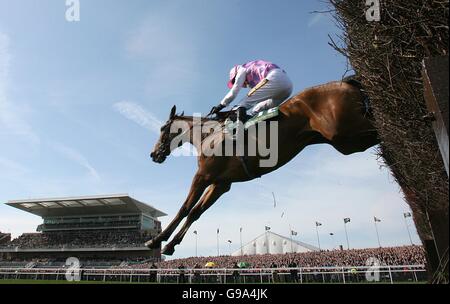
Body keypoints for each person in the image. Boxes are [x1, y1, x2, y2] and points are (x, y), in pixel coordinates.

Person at [209, 60, 293, 127]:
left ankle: (239, 132)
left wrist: (220, 105)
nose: (240, 84)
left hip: (275, 77)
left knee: (241, 105)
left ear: (236, 74)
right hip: (288, 87)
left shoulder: (241, 69)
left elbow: (234, 91)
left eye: (234, 80)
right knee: (256, 110)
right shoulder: (253, 78)